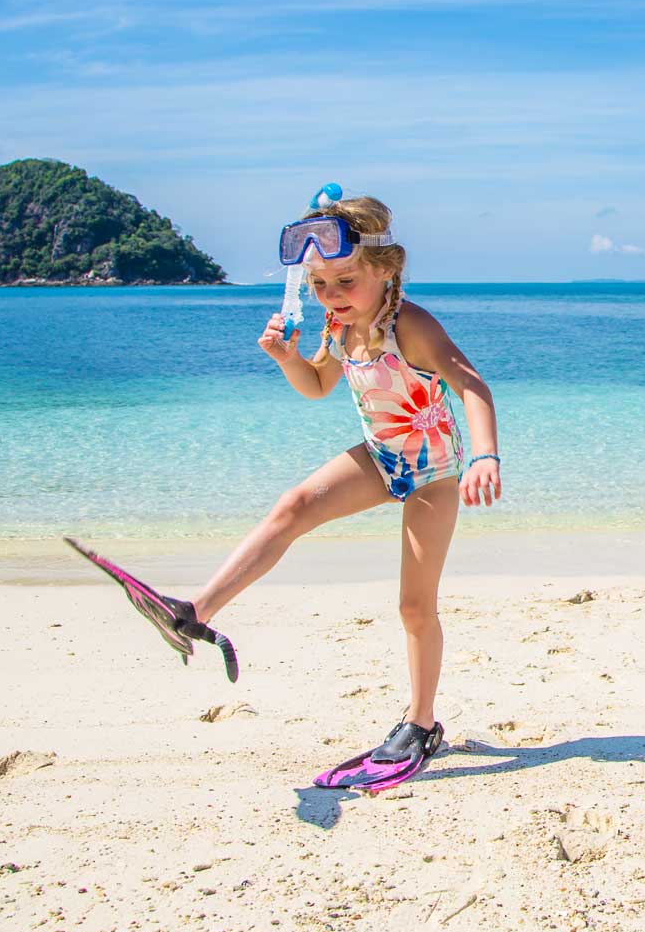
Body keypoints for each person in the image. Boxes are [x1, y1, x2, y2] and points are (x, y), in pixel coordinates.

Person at [178, 193, 501, 774]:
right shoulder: (337, 323)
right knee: (294, 505)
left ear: (385, 269)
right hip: (382, 459)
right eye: (319, 283)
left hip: (434, 474)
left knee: (413, 604)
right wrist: (285, 358)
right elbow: (317, 386)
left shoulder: (412, 326)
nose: (331, 296)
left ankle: (422, 723)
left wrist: (485, 456)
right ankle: (196, 612)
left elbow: (472, 385)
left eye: (344, 281)